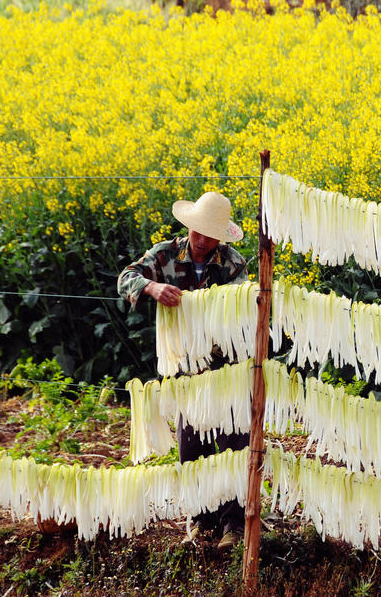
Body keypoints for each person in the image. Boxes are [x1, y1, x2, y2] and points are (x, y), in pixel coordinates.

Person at [118, 191, 249, 550]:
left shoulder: (233, 263)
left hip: (225, 371)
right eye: (198, 232)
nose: (203, 241)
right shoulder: (163, 255)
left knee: (234, 445)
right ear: (189, 226)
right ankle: (200, 521)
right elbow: (125, 278)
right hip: (184, 373)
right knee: (192, 447)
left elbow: (242, 308)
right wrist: (152, 286)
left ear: (221, 236)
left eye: (211, 235)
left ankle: (233, 524)